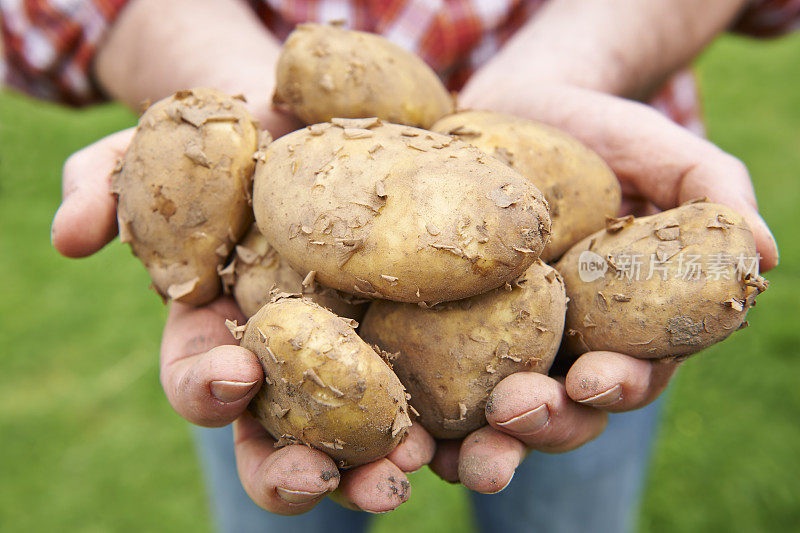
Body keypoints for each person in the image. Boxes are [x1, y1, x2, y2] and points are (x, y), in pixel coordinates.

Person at [2, 0, 794, 531]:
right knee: (270, 440)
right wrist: (233, 99)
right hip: (262, 334)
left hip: (592, 185)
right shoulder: (287, 199)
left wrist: (564, 78)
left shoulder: (528, 217)